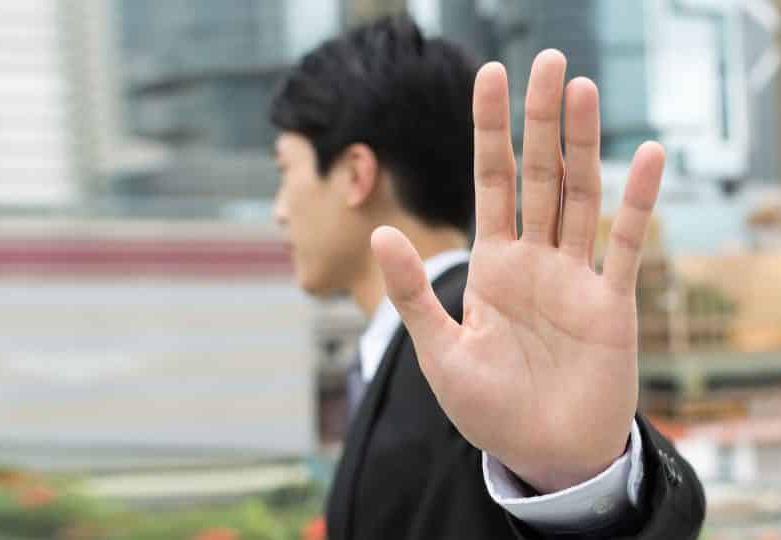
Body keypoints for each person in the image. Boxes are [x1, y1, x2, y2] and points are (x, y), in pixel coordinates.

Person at [269, 14, 705, 539]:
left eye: (284, 171)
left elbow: (675, 503)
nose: (279, 210)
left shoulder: (486, 338)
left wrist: (583, 480)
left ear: (356, 174)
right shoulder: (417, 350)